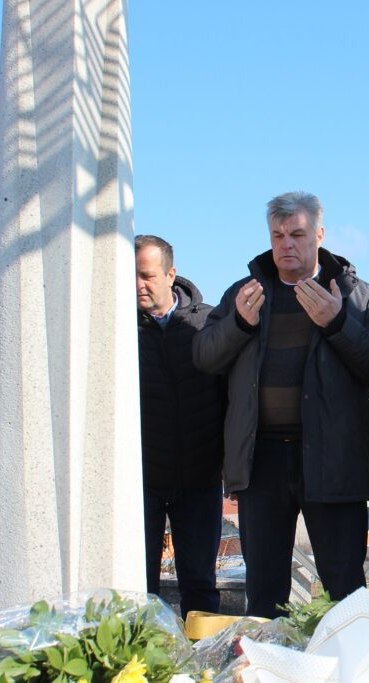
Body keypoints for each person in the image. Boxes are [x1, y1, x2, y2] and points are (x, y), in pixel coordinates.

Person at [193, 191, 369, 618]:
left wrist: (337, 323)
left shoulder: (357, 295)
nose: (286, 244)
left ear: (319, 235)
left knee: (345, 588)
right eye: (278, 235)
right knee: (264, 592)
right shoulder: (244, 293)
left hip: (333, 455)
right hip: (261, 459)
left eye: (297, 234)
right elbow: (205, 357)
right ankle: (269, 658)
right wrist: (238, 324)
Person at [135, 235, 225, 619]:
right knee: (138, 587)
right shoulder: (116, 327)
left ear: (171, 274)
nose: (138, 284)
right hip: (141, 482)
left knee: (200, 583)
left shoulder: (208, 322)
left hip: (200, 478)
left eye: (147, 275)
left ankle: (203, 656)